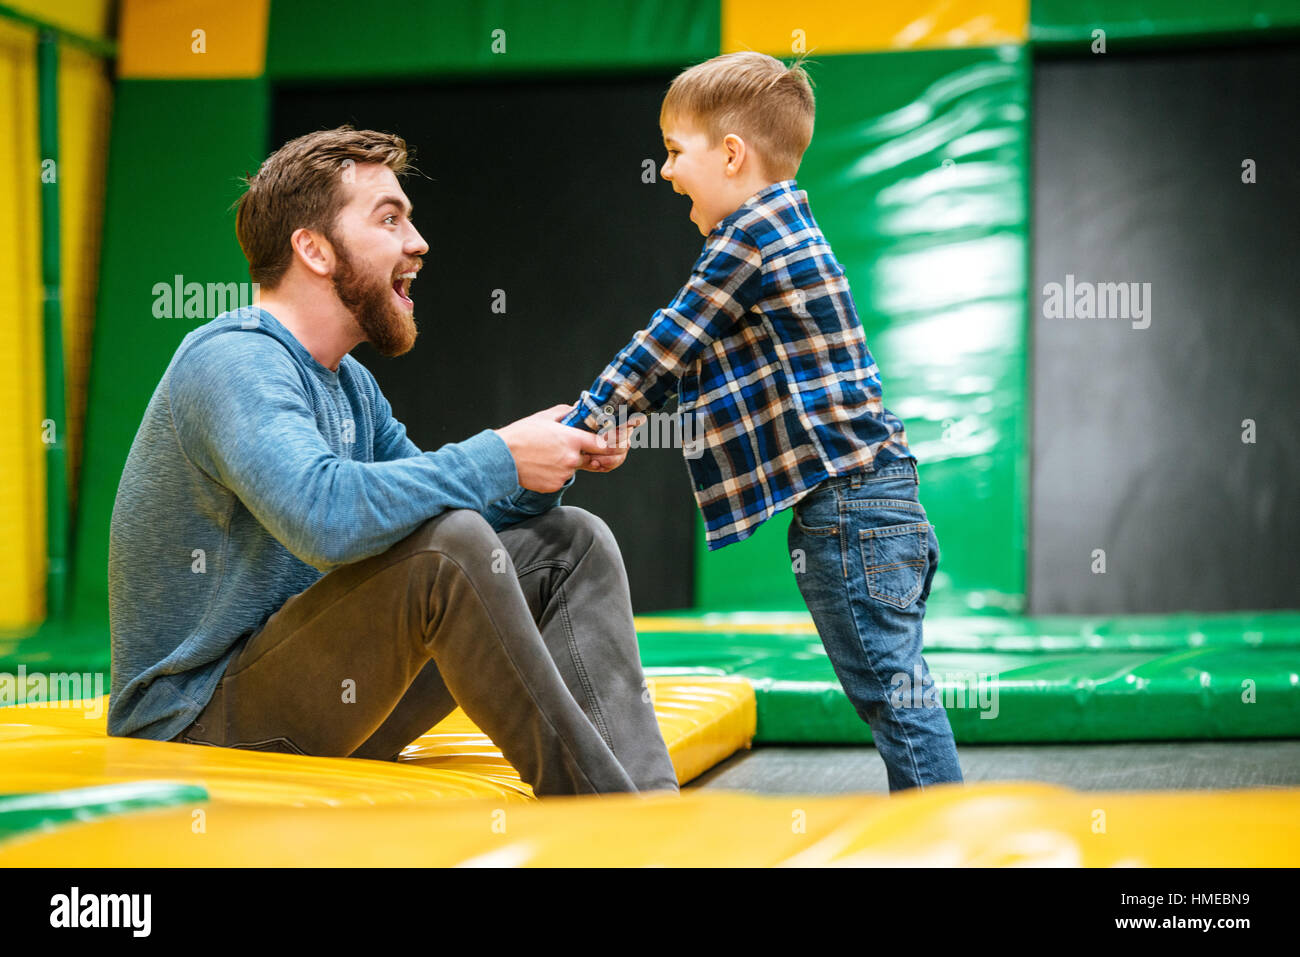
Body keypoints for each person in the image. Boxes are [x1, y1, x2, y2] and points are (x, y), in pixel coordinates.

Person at [107, 126, 679, 797]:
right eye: (390, 218)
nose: (418, 242)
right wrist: (500, 454)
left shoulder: (349, 383)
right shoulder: (233, 360)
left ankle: (651, 807)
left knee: (571, 543)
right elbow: (322, 515)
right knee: (451, 550)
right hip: (196, 729)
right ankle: (614, 823)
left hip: (316, 698)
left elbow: (436, 509)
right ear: (314, 249)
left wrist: (546, 459)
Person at [563, 52, 963, 792]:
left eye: (677, 153)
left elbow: (670, 339)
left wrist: (587, 421)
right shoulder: (785, 228)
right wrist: (624, 422)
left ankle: (951, 841)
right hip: (877, 502)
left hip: (852, 512)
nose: (669, 171)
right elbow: (699, 357)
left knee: (897, 702)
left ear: (733, 154)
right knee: (900, 694)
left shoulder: (750, 236)